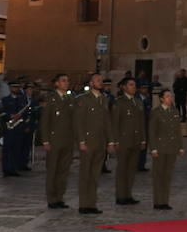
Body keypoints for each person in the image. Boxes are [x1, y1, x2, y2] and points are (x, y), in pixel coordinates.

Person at [72, 72, 112, 214]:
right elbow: (79, 122)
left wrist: (110, 140)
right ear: (91, 83)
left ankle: (92, 203)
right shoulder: (84, 99)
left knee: (95, 174)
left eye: (101, 80)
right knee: (85, 174)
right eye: (97, 80)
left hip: (100, 142)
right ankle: (84, 204)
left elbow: (107, 121)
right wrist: (81, 140)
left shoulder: (103, 99)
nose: (100, 82)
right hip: (88, 141)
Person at [110, 77, 147, 205]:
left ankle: (128, 194)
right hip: (123, 140)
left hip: (135, 140)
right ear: (124, 87)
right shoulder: (119, 102)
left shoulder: (138, 102)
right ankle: (121, 196)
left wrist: (143, 139)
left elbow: (141, 122)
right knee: (122, 169)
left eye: (134, 85)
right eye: (131, 85)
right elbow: (115, 123)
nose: (133, 87)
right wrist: (115, 140)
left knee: (131, 169)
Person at [40, 73, 75, 206]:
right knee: (53, 170)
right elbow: (45, 121)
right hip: (54, 140)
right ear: (57, 84)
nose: (66, 83)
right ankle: (52, 198)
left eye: (67, 81)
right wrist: (45, 140)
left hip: (67, 140)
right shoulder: (51, 99)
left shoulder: (71, 98)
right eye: (63, 81)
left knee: (64, 171)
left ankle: (60, 197)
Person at [149, 87, 184, 209]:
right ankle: (158, 202)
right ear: (161, 99)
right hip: (160, 147)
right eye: (168, 96)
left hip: (171, 148)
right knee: (158, 175)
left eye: (171, 96)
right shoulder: (156, 112)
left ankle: (165, 201)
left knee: (167, 175)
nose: (170, 98)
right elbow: (152, 131)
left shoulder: (174, 112)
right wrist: (153, 148)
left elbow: (177, 131)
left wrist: (180, 146)